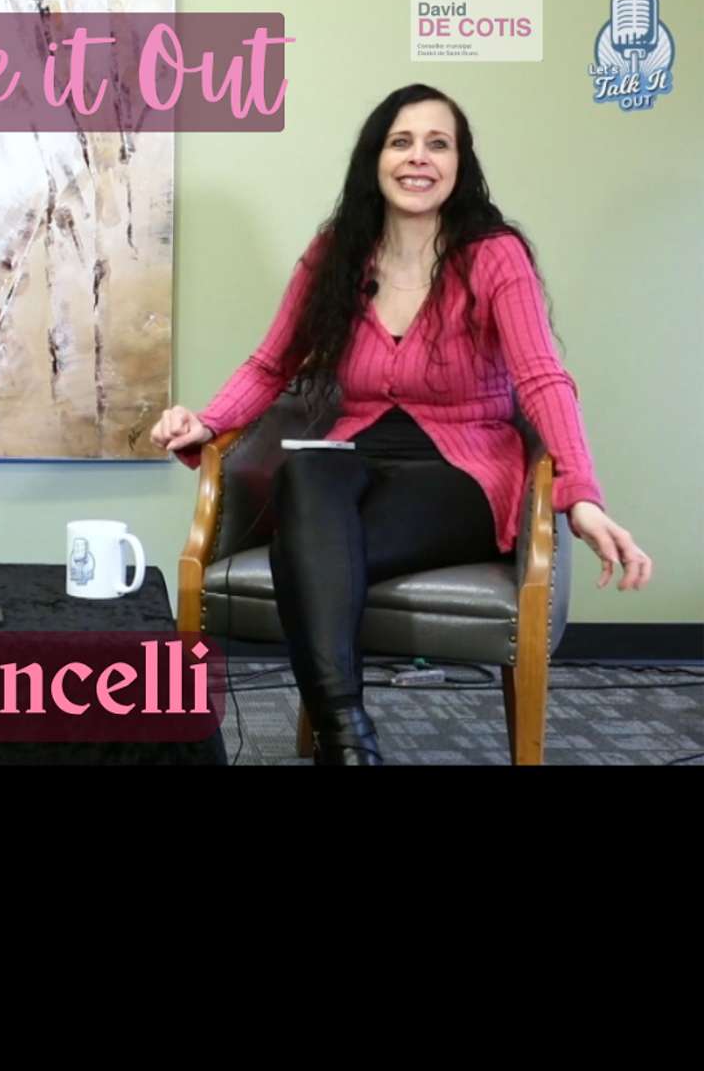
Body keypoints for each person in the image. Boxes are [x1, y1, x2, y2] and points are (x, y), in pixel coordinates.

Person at [151, 85, 651, 765]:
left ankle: (341, 740)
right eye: (401, 142)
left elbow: (542, 378)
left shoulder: (495, 256)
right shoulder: (335, 253)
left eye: (437, 144)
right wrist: (206, 422)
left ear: (459, 164)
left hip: (464, 474)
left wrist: (582, 496)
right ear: (375, 159)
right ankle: (348, 736)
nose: (419, 158)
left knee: (308, 547)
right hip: (356, 457)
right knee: (306, 474)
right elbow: (271, 365)